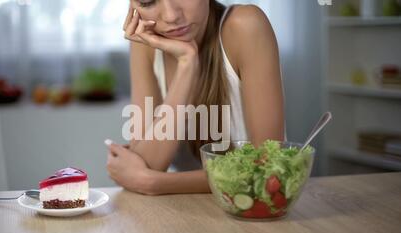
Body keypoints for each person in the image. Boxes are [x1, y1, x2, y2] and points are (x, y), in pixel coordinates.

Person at [106, 0, 285, 195]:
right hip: (189, 215)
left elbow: (267, 166)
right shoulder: (146, 43)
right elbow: (146, 164)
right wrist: (187, 64)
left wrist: (154, 183)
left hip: (251, 214)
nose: (170, 16)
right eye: (148, 2)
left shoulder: (245, 25)